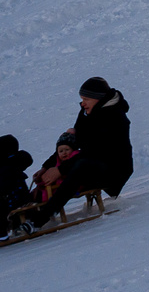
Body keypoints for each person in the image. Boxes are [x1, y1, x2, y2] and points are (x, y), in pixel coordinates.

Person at [28, 77, 133, 226]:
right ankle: (24, 213)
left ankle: (41, 218)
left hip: (114, 169)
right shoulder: (86, 113)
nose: (82, 103)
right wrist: (47, 167)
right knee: (64, 170)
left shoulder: (116, 118)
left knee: (81, 166)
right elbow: (72, 143)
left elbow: (95, 150)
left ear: (99, 98)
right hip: (92, 162)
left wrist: (60, 169)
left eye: (86, 99)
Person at [29, 131, 80, 208]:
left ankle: (42, 207)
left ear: (73, 149)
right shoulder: (58, 159)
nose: (64, 153)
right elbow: (52, 161)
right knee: (40, 189)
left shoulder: (75, 157)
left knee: (45, 190)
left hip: (72, 186)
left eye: (67, 149)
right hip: (60, 185)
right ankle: (34, 204)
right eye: (61, 151)